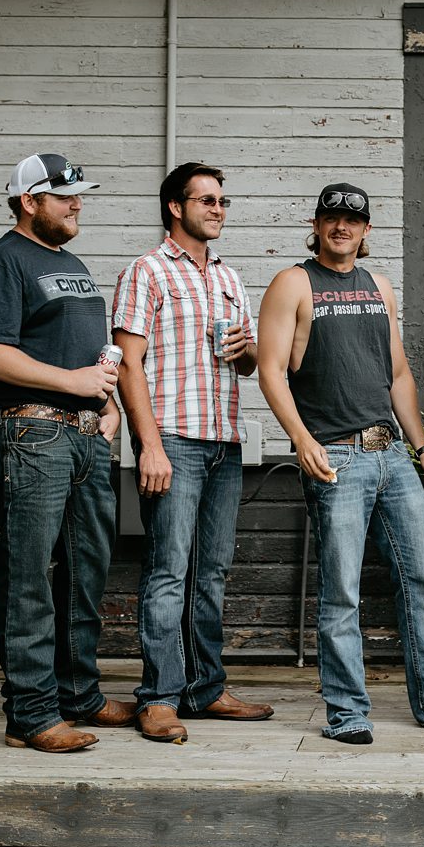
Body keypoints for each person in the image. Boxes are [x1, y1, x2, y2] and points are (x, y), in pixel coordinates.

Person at [257, 183, 424, 744]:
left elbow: (398, 373)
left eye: (352, 220)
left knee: (422, 578)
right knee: (341, 591)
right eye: (331, 218)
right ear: (318, 223)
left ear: (366, 229)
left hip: (393, 455)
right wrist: (302, 440)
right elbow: (271, 370)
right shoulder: (294, 283)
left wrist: (422, 447)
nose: (341, 228)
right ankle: (347, 712)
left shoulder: (379, 286)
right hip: (337, 455)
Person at [0, 152, 135, 754]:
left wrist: (108, 406)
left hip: (87, 435)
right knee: (30, 574)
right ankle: (31, 715)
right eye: (63, 196)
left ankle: (79, 694)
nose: (76, 203)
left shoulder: (74, 264)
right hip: (30, 434)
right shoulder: (1, 262)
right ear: (28, 201)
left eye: (79, 195)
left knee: (86, 570)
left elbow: (92, 355)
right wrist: (75, 386)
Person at [112, 161, 272, 744]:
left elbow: (252, 365)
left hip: (223, 442)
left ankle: (206, 687)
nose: (218, 210)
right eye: (206, 200)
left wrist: (247, 349)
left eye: (223, 201)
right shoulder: (146, 273)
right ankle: (158, 697)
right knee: (167, 572)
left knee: (212, 573)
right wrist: (148, 445)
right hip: (173, 439)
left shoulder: (231, 278)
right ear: (175, 208)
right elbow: (129, 366)